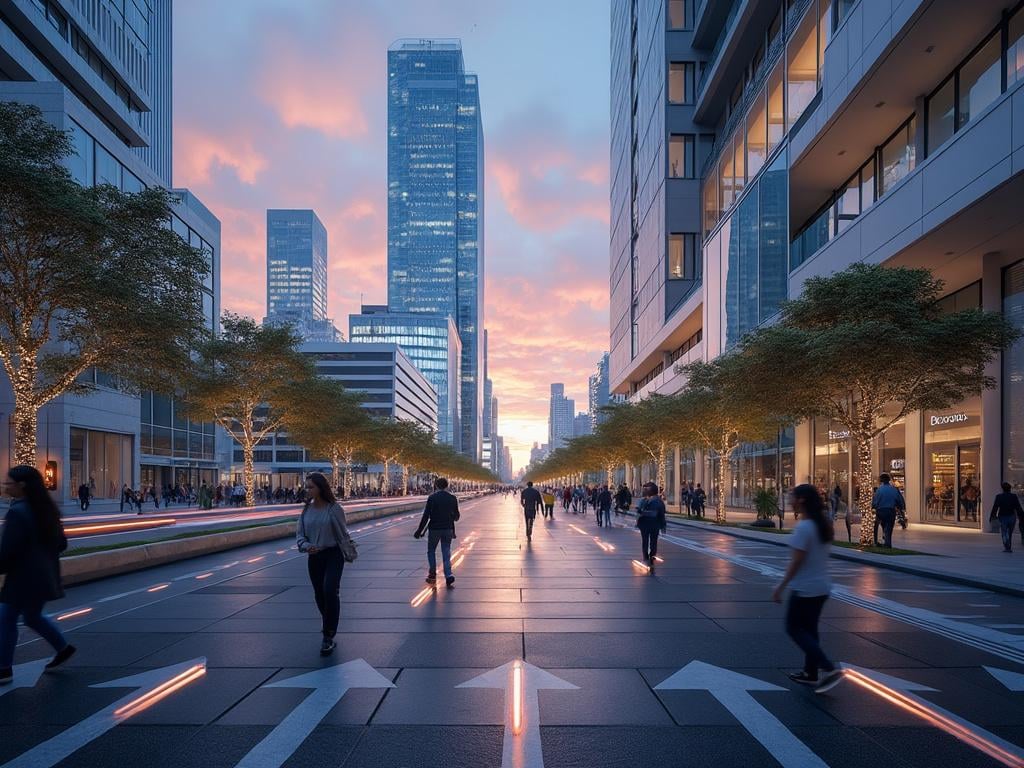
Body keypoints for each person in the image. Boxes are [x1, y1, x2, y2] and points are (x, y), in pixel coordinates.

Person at [1, 466, 76, 686]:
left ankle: (4, 668)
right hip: (44, 575)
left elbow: (7, 550)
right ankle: (63, 648)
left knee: (5, 619)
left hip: (21, 577)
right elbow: (61, 544)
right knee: (32, 616)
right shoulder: (47, 509)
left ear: (21, 485)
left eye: (9, 483)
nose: (6, 487)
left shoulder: (17, 512)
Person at [772, 483, 842, 694]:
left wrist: (780, 587)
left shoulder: (804, 528)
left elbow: (796, 563)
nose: (790, 499)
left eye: (792, 496)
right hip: (822, 587)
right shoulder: (823, 524)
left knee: (793, 628)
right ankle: (810, 672)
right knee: (810, 630)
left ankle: (827, 667)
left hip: (805, 588)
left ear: (801, 500)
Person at [295, 472, 351, 656]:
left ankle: (328, 634)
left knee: (329, 590)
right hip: (314, 556)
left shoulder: (334, 508)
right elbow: (300, 534)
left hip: (333, 554)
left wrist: (348, 548)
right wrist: (306, 546)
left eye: (311, 486)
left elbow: (343, 533)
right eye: (307, 486)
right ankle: (328, 623)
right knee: (319, 593)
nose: (308, 490)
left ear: (321, 488)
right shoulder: (306, 510)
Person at [414, 477, 461, 587]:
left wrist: (419, 530)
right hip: (448, 529)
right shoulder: (452, 498)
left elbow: (426, 516)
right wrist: (450, 516)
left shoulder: (432, 498)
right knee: (446, 551)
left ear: (436, 485)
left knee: (431, 551)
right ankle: (448, 575)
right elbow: (457, 517)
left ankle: (432, 574)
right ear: (447, 485)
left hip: (434, 529)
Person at [636, 482, 666, 573]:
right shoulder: (658, 501)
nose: (644, 491)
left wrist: (641, 512)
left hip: (647, 524)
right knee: (653, 541)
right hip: (654, 524)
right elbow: (662, 514)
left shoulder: (652, 501)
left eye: (646, 489)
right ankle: (651, 558)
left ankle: (646, 558)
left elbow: (654, 513)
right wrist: (663, 525)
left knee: (646, 541)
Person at [871, 473, 905, 548]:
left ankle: (877, 541)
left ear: (881, 480)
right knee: (889, 527)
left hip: (881, 511)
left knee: (880, 525)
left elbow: (875, 502)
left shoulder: (879, 490)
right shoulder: (894, 489)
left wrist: (874, 507)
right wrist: (901, 509)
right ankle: (887, 542)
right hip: (890, 510)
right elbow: (899, 501)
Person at [991, 482, 1024, 553]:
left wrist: (992, 516)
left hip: (1002, 516)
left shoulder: (999, 496)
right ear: (1010, 489)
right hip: (1012, 516)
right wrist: (1021, 516)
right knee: (1010, 532)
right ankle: (1009, 546)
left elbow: (995, 507)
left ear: (1002, 489)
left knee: (1004, 531)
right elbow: (1018, 507)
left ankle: (1007, 546)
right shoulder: (1014, 496)